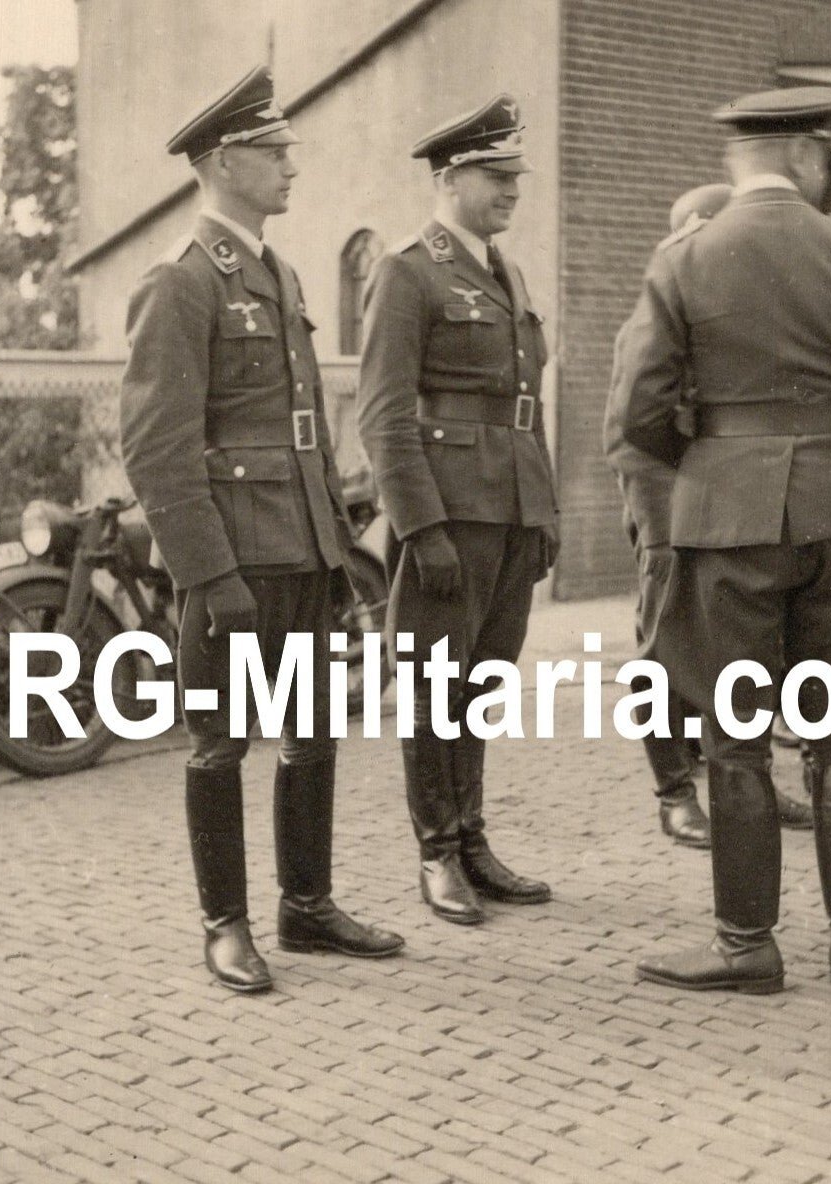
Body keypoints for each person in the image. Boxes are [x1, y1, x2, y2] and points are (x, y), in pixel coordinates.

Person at [609, 86, 831, 993]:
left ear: (743, 158)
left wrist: (713, 464)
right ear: (802, 156)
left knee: (736, 737)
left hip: (727, 523)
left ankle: (746, 945)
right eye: (824, 155)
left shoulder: (683, 258)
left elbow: (635, 412)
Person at [120, 66, 403, 994]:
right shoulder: (181, 280)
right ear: (223, 162)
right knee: (220, 745)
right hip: (236, 562)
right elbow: (157, 449)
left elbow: (303, 431)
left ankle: (306, 907)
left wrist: (333, 550)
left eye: (288, 149)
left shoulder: (276, 272)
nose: (291, 165)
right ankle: (226, 925)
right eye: (273, 151)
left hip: (301, 550)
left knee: (312, 733)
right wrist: (210, 575)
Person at [357, 94, 559, 925]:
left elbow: (525, 406)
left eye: (516, 175)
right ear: (449, 177)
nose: (512, 189)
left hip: (510, 511)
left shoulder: (505, 271)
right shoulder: (407, 271)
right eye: (495, 175)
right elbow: (383, 415)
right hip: (449, 513)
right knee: (434, 685)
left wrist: (543, 513)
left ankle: (472, 842)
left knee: (480, 684)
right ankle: (436, 852)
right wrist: (421, 527)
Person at [605, 182, 813, 847]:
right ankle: (673, 793)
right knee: (662, 650)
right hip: (669, 503)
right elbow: (630, 430)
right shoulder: (656, 313)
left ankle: (744, 782)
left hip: (723, 506)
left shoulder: (729, 316)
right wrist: (669, 516)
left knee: (737, 649)